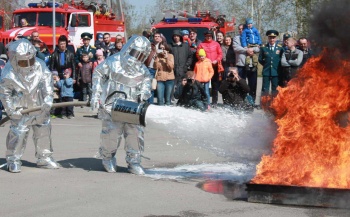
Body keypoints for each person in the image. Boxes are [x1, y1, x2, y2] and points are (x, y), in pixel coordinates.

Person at [90, 35, 152, 175]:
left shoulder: (142, 70)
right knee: (111, 133)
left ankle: (134, 161)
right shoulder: (113, 61)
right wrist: (96, 95)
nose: (137, 58)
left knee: (135, 134)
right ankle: (108, 158)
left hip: (132, 108)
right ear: (129, 49)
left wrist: (144, 92)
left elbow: (147, 81)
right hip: (112, 106)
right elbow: (98, 74)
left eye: (141, 56)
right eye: (136, 53)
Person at [0, 39, 60, 173]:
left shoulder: (40, 65)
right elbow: (5, 94)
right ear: (15, 60)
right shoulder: (8, 73)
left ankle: (44, 158)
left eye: (30, 61)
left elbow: (47, 84)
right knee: (18, 134)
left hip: (39, 108)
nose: (28, 65)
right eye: (23, 62)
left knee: (43, 133)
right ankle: (13, 160)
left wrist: (48, 99)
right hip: (21, 110)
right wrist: (11, 111)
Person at [233, 24, 259, 103]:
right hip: (241, 64)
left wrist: (251, 49)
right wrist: (246, 50)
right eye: (239, 29)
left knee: (252, 84)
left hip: (251, 65)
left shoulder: (253, 37)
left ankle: (252, 101)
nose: (241, 30)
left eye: (242, 29)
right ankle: (242, 100)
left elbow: (258, 48)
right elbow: (236, 48)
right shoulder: (236, 38)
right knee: (241, 83)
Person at [197, 30, 223, 107]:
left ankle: (214, 102)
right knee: (204, 86)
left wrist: (217, 60)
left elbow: (220, 54)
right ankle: (204, 101)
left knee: (215, 85)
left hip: (215, 66)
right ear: (205, 36)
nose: (208, 37)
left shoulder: (216, 44)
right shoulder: (201, 44)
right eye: (207, 36)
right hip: (205, 67)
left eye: (210, 36)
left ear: (212, 36)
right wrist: (205, 60)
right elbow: (198, 55)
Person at [258, 30, 284, 96]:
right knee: (265, 89)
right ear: (268, 38)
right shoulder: (263, 48)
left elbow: (282, 58)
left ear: (276, 38)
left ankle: (274, 104)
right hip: (266, 71)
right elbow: (260, 59)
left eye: (273, 38)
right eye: (270, 38)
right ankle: (264, 104)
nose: (272, 39)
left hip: (276, 72)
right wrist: (266, 64)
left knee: (275, 89)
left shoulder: (280, 48)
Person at [170, 29, 193, 97]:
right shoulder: (170, 46)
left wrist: (186, 66)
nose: (176, 37)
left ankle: (182, 99)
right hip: (173, 70)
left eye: (177, 36)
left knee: (182, 85)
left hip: (183, 69)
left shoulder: (185, 46)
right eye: (174, 36)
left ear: (180, 37)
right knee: (172, 85)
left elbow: (190, 56)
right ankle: (171, 99)